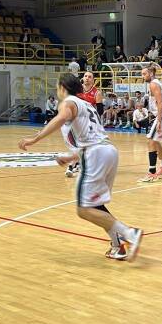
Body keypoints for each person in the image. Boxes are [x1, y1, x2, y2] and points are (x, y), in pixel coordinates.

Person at [18, 73, 142, 261]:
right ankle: (118, 245)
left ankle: (130, 233)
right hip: (108, 151)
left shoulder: (68, 102)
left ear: (62, 88)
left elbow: (62, 118)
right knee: (95, 204)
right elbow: (90, 139)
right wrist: (70, 157)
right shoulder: (87, 105)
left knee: (83, 209)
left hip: (96, 154)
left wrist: (34, 139)